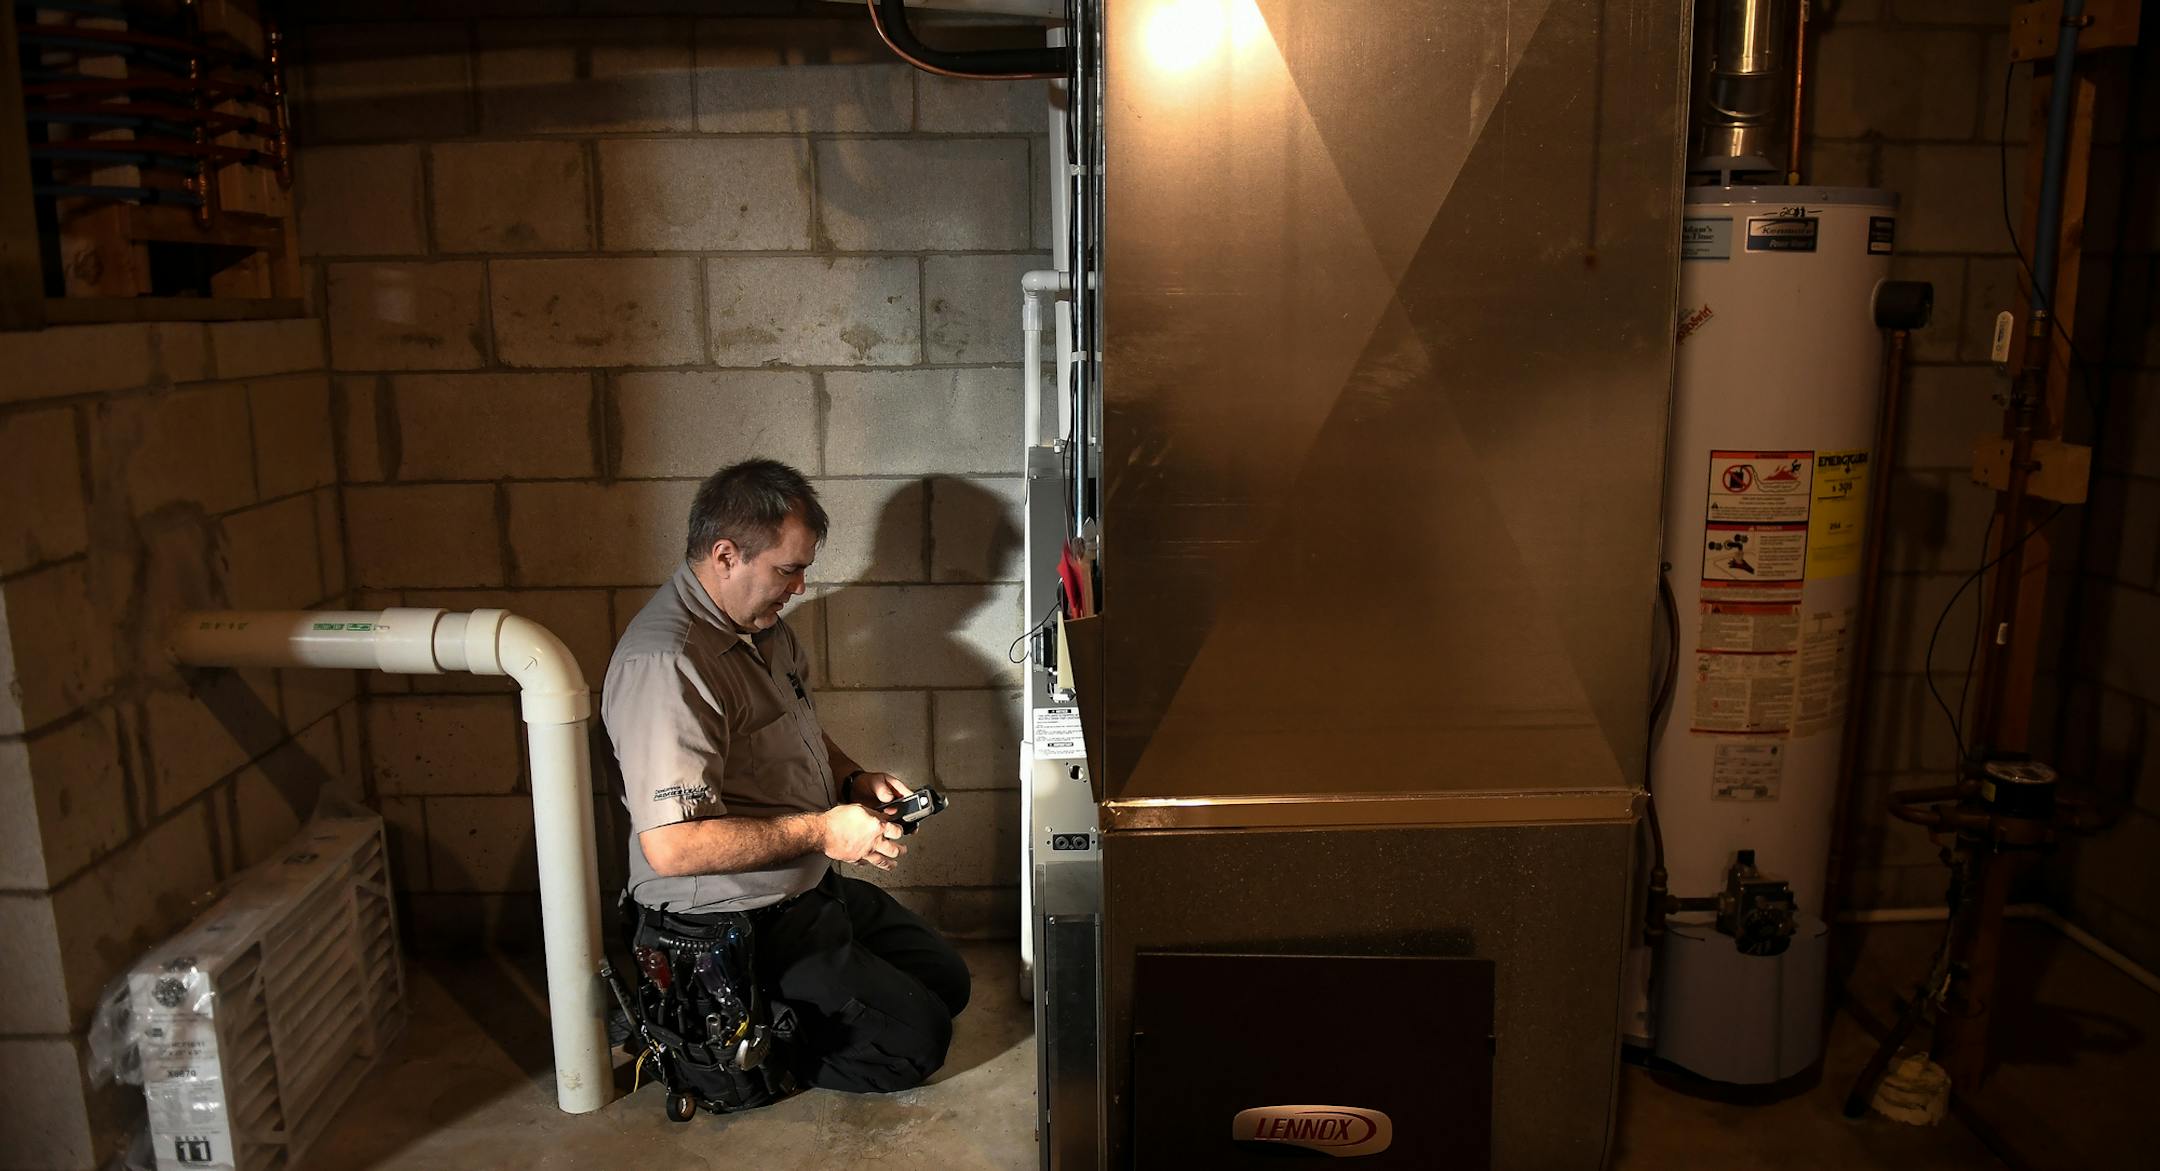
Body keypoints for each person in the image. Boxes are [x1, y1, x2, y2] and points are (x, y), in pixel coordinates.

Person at [602, 458, 970, 1096]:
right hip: (730, 921)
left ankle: (786, 1010)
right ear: (725, 556)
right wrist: (824, 832)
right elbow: (672, 847)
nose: (799, 587)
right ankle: (712, 1048)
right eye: (787, 569)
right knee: (914, 1044)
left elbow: (798, 729)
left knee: (947, 983)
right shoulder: (667, 664)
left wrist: (853, 780)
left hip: (803, 887)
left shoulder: (760, 630)